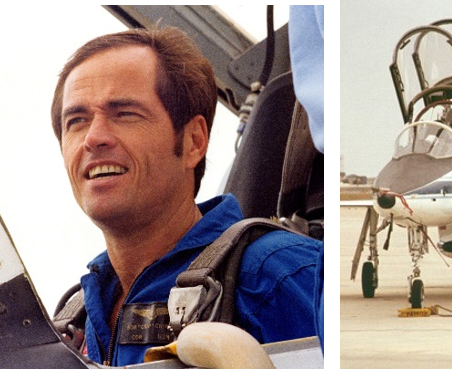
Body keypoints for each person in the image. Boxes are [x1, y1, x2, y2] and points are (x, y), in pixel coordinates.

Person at [50, 27, 322, 366]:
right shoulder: (73, 321)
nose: (94, 138)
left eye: (125, 114)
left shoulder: (283, 275)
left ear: (194, 141)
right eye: (76, 121)